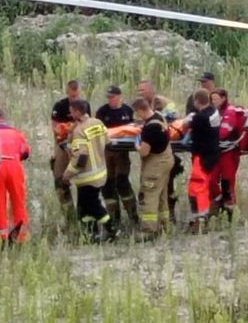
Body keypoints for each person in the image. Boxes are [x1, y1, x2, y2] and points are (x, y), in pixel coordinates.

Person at [62, 99, 112, 242]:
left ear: (77, 111)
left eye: (71, 111)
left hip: (87, 177)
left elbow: (80, 158)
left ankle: (111, 229)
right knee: (84, 208)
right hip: (100, 172)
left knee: (94, 206)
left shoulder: (79, 130)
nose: (70, 114)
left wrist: (67, 176)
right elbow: (107, 142)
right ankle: (91, 234)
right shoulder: (97, 123)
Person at [138, 79, 183, 219]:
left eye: (142, 90)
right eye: (139, 91)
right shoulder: (142, 105)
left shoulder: (165, 103)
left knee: (166, 185)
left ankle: (169, 215)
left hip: (164, 149)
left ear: (151, 90)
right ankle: (163, 219)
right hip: (151, 150)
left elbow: (172, 121)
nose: (140, 93)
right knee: (158, 188)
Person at [95, 85, 138, 230]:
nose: (110, 100)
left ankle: (133, 214)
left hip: (122, 153)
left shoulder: (127, 111)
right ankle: (114, 218)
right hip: (106, 151)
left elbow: (134, 128)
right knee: (107, 184)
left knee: (122, 182)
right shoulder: (102, 111)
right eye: (108, 97)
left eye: (112, 97)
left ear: (120, 96)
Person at [0, 108, 31, 243]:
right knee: (18, 201)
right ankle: (21, 236)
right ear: (4, 118)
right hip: (14, 167)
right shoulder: (16, 134)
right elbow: (26, 153)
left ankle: (1, 238)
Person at [133, 97, 175, 237]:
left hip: (156, 164)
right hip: (167, 160)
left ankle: (148, 230)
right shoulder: (159, 116)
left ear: (141, 110)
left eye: (137, 113)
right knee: (161, 194)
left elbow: (144, 152)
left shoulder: (150, 128)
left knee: (149, 194)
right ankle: (165, 225)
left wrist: (137, 146)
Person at [185, 88, 222, 232]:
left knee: (197, 188)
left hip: (202, 156)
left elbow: (186, 126)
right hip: (212, 155)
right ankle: (202, 218)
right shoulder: (214, 112)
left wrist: (189, 119)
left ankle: (200, 221)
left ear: (196, 102)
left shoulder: (199, 118)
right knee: (204, 187)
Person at [49, 80, 86, 222]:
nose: (74, 100)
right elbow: (56, 128)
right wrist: (67, 132)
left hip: (79, 146)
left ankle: (84, 217)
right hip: (63, 145)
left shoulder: (84, 106)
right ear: (67, 93)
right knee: (60, 181)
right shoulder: (60, 106)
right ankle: (70, 219)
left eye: (76, 96)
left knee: (84, 182)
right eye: (72, 97)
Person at [211, 88, 244, 219]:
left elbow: (224, 132)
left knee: (228, 182)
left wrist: (207, 135)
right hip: (217, 152)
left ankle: (230, 212)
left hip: (229, 153)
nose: (213, 102)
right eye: (212, 99)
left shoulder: (230, 112)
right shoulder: (214, 112)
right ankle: (219, 201)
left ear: (224, 98)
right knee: (211, 179)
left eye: (216, 99)